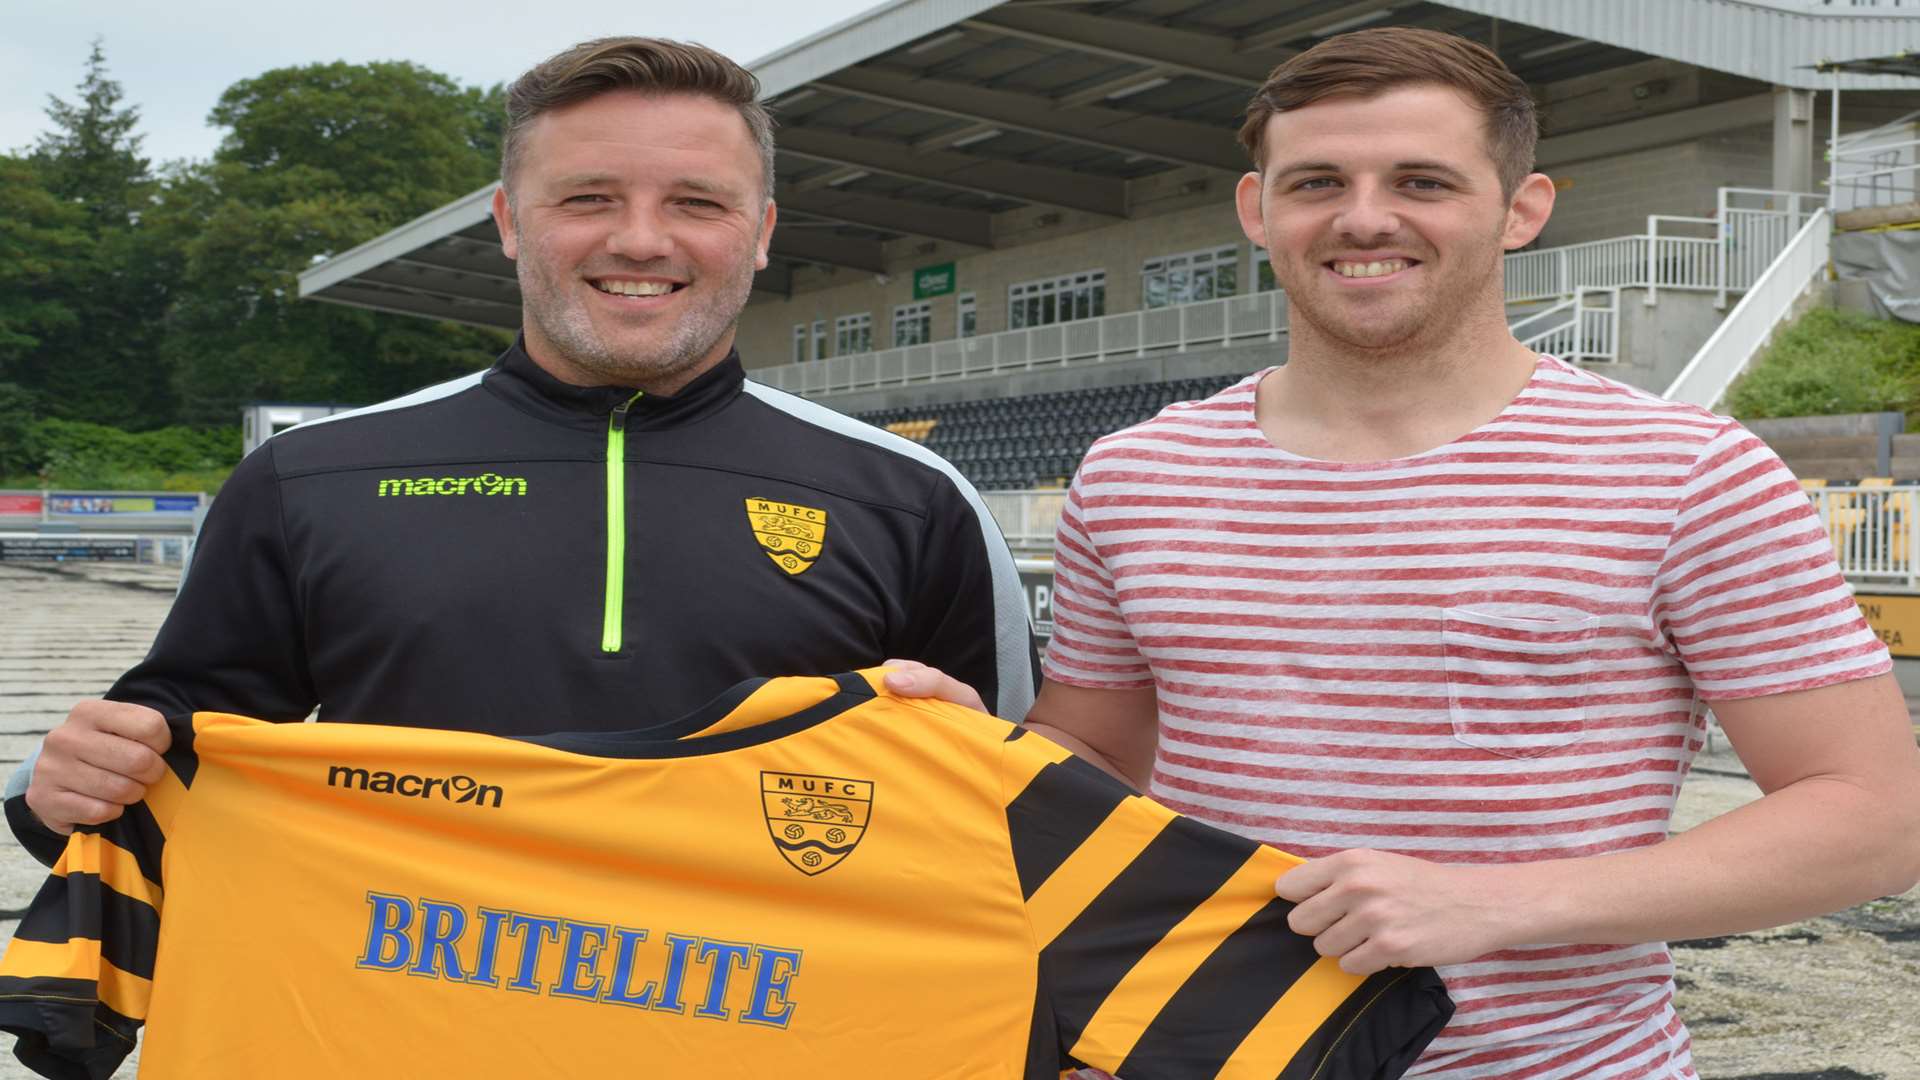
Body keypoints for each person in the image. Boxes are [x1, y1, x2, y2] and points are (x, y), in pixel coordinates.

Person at [1013, 26, 1920, 1080]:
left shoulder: (1687, 473)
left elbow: (1875, 816)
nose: (1363, 217)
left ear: (1521, 208)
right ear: (1257, 210)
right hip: (1193, 1058)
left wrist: (1499, 902)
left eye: (1422, 180)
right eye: (1317, 182)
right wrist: (951, 751)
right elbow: (1097, 760)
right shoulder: (1135, 476)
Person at [8, 37, 1034, 858]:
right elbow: (175, 751)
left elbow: (1026, 806)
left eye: (697, 202)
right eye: (587, 198)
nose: (640, 239)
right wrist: (59, 794)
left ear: (760, 231)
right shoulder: (311, 478)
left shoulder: (914, 498)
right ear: (508, 221)